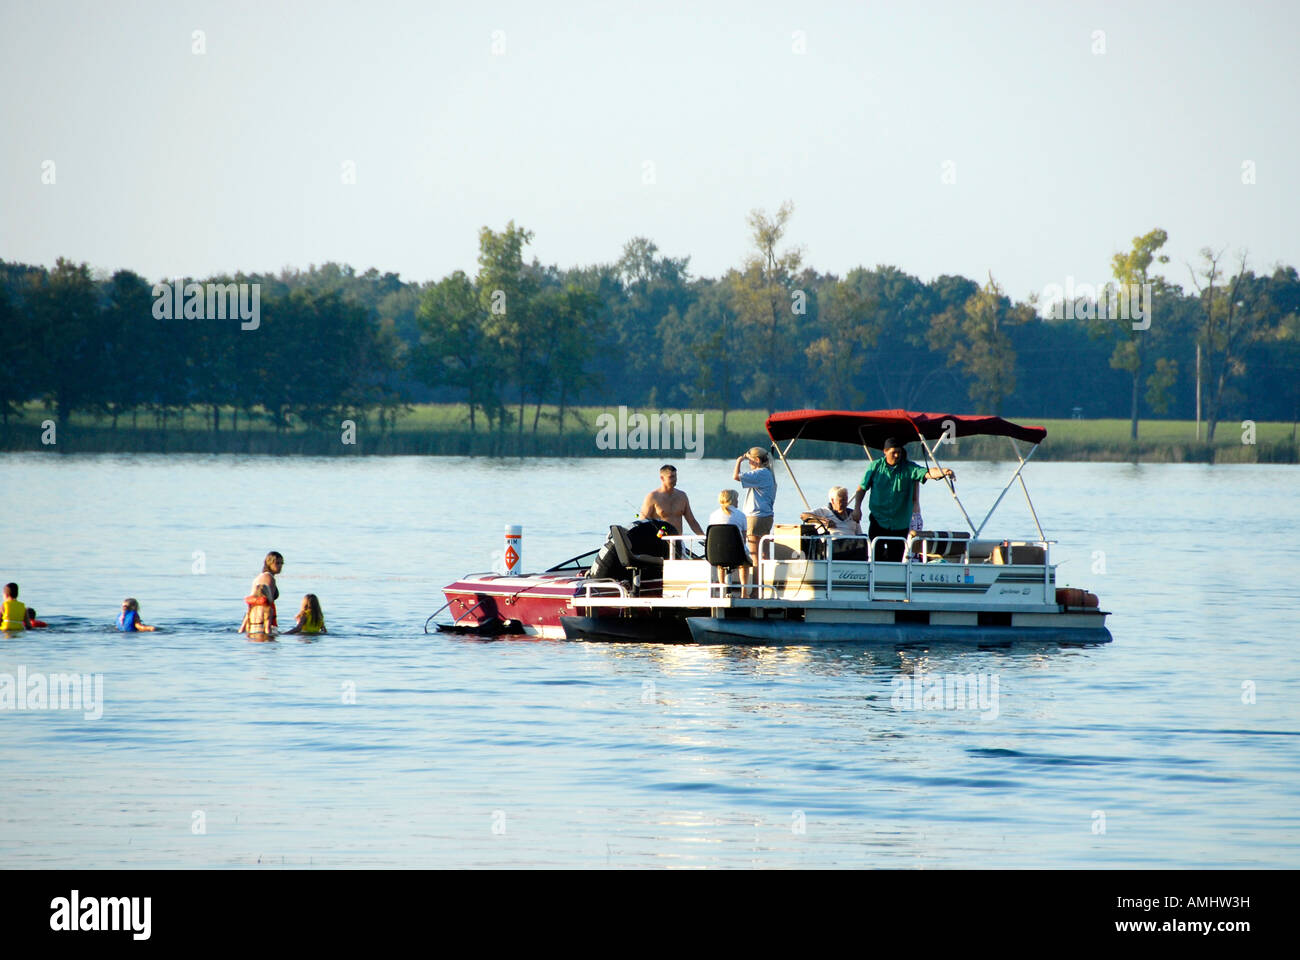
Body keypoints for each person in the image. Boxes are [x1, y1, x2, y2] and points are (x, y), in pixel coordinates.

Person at [850, 437, 954, 562]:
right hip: (878, 520)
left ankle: (893, 580)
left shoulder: (909, 468)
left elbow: (927, 473)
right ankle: (875, 579)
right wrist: (857, 508)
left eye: (899, 452)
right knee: (875, 556)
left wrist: (943, 472)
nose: (897, 455)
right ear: (885, 451)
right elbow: (862, 488)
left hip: (900, 523)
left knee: (896, 558)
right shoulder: (875, 467)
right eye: (893, 452)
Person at [733, 447, 776, 592]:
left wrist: (739, 461)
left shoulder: (760, 473)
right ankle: (764, 588)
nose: (748, 463)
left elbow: (736, 476)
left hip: (755, 517)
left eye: (750, 460)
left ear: (757, 460)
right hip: (767, 516)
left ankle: (756, 591)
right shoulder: (769, 474)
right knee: (764, 554)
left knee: (754, 556)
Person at [638, 465, 703, 537]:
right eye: (671, 477)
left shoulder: (682, 496)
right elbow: (642, 523)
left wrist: (705, 538)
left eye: (675, 476)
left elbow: (692, 521)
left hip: (677, 541)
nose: (674, 479)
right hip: (659, 541)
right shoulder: (652, 497)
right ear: (662, 478)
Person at [243, 551, 283, 632]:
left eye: (282, 563)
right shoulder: (269, 578)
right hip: (264, 621)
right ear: (269, 563)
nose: (280, 566)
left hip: (254, 619)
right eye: (277, 563)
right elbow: (268, 601)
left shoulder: (260, 576)